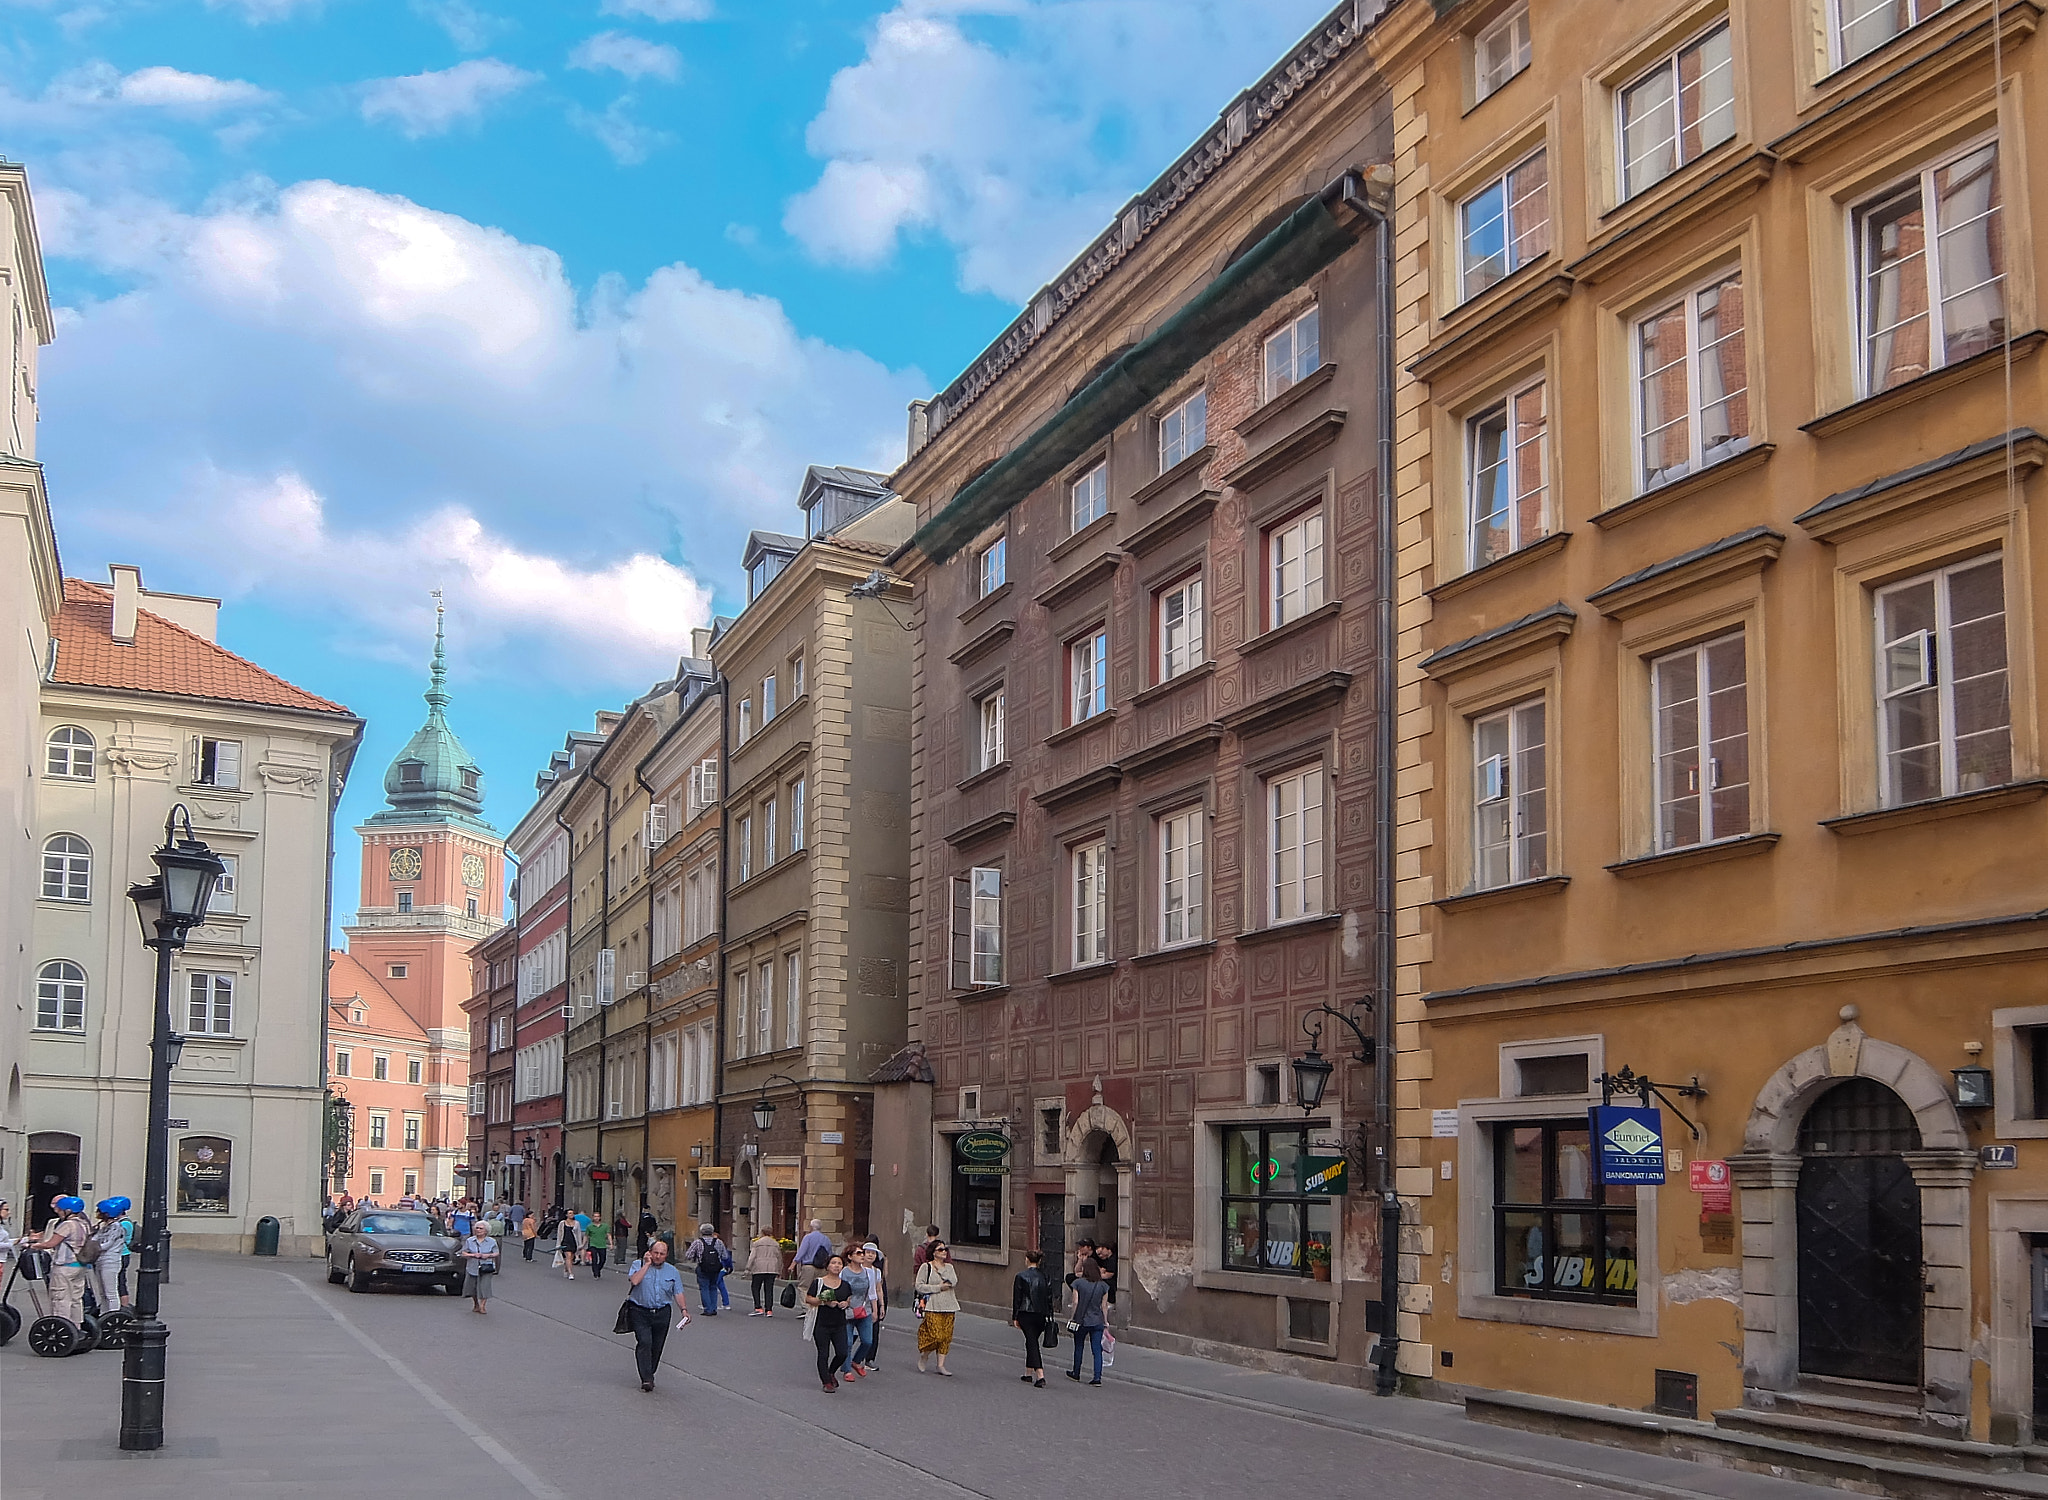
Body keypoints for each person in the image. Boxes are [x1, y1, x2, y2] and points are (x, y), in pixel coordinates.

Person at [623, 1238, 691, 1392]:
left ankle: (649, 1371)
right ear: (650, 1252)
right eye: (656, 1253)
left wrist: (684, 1310)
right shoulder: (638, 1265)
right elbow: (634, 1281)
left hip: (662, 1313)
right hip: (640, 1310)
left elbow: (678, 1292)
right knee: (645, 1342)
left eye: (662, 1253)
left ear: (666, 1255)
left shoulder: (672, 1271)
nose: (658, 1256)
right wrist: (646, 1264)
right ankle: (646, 1378)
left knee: (657, 1346)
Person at [27, 1196, 90, 1328]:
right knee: (76, 1298)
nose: (59, 1212)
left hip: (64, 1266)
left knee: (60, 1297)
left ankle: (61, 1326)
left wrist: (34, 1245)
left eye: (60, 1210)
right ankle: (76, 1326)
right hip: (80, 1265)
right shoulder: (84, 1224)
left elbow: (51, 1243)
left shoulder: (67, 1225)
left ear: (67, 1211)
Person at [804, 1253, 853, 1392]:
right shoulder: (819, 1282)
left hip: (839, 1324)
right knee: (823, 1353)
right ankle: (826, 1382)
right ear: (827, 1266)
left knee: (842, 1352)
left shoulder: (845, 1285)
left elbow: (849, 1299)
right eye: (833, 1263)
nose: (836, 1266)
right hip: (821, 1323)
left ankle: (831, 1372)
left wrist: (845, 1303)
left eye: (839, 1264)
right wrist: (824, 1301)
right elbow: (808, 1299)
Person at [1011, 1248, 1054, 1388]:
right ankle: (1028, 1373)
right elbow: (1049, 1298)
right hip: (1041, 1314)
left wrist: (1015, 1316)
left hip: (1026, 1312)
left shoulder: (1021, 1276)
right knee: (1031, 1341)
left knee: (1032, 1342)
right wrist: (1049, 1315)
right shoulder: (1045, 1277)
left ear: (1027, 1260)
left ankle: (1040, 1375)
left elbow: (1017, 1299)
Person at [914, 1241, 959, 1375]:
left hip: (949, 1305)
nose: (944, 1251)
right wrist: (938, 1287)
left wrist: (941, 1271)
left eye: (945, 1249)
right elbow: (919, 1286)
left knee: (946, 1337)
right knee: (936, 1336)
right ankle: (925, 1355)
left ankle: (941, 1365)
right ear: (933, 1252)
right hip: (932, 1305)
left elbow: (953, 1282)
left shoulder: (949, 1267)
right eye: (940, 1250)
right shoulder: (926, 1267)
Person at [1065, 1258, 1109, 1385]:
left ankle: (1076, 1372)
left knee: (1079, 1346)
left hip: (1082, 1320)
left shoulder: (1078, 1283)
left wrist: (1072, 1317)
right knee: (1097, 1350)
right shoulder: (1103, 1286)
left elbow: (1075, 1302)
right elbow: (1104, 1306)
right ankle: (1097, 1377)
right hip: (1097, 1321)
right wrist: (1105, 1321)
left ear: (1084, 1269)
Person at [87, 1198, 132, 1312]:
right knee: (102, 1293)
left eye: (100, 1211)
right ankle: (104, 1313)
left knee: (110, 1292)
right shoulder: (105, 1226)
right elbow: (95, 1239)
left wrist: (92, 1246)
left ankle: (113, 1314)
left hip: (111, 1261)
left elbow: (106, 1244)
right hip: (101, 1260)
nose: (97, 1213)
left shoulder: (117, 1227)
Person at [839, 1246, 874, 1379]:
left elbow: (872, 1292)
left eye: (862, 1253)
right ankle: (847, 1370)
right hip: (848, 1311)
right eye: (858, 1253)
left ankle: (856, 1361)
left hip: (865, 1310)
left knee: (867, 1341)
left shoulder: (868, 1272)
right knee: (848, 1342)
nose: (862, 1255)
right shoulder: (844, 1272)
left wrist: (876, 1309)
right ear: (850, 1257)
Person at [855, 1242, 888, 1371]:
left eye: (873, 1253)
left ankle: (869, 1359)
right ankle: (845, 1357)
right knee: (852, 1333)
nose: (870, 1255)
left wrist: (882, 1305)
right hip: (857, 1304)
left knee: (873, 1333)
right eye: (868, 1252)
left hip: (871, 1305)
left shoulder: (876, 1271)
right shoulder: (857, 1268)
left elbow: (879, 1289)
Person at [685, 1224, 725, 1316]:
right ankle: (714, 1308)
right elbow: (725, 1256)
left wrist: (696, 1257)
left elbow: (688, 1255)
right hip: (715, 1268)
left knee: (704, 1287)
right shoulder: (719, 1242)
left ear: (702, 1232)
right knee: (713, 1287)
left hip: (703, 1267)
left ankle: (708, 1309)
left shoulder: (698, 1242)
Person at [461, 1222, 499, 1313]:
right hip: (472, 1266)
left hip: (486, 1267)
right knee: (472, 1287)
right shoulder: (470, 1240)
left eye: (481, 1228)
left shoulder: (492, 1241)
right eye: (477, 1228)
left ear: (486, 1231)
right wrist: (472, 1254)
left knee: (484, 1286)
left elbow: (496, 1253)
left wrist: (488, 1255)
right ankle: (476, 1304)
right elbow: (463, 1252)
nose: (478, 1230)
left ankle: (482, 1306)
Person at [746, 1229, 783, 1316]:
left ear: (762, 1233)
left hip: (759, 1267)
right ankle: (769, 1310)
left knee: (755, 1287)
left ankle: (758, 1307)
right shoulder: (775, 1244)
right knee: (769, 1289)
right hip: (772, 1268)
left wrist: (748, 1268)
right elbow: (779, 1258)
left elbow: (752, 1256)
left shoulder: (757, 1243)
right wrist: (779, 1269)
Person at [1093, 1236, 1118, 1306]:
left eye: (1103, 1248)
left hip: (1111, 1282)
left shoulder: (1112, 1260)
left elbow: (1109, 1274)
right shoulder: (1107, 1259)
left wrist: (1097, 1275)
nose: (1101, 1251)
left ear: (1108, 1249)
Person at [555, 1213, 580, 1280]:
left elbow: (578, 1234)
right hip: (565, 1242)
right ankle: (571, 1273)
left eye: (572, 1213)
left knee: (571, 1258)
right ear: (566, 1215)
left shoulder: (576, 1223)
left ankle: (566, 1269)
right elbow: (559, 1233)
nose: (572, 1214)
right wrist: (558, 1244)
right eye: (570, 1213)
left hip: (573, 1242)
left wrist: (580, 1244)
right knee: (568, 1256)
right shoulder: (562, 1223)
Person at [587, 1211, 610, 1276]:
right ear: (593, 1217)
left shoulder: (605, 1226)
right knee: (594, 1259)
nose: (596, 1218)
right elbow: (586, 1236)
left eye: (598, 1216)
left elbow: (608, 1234)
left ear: (600, 1217)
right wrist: (583, 1245)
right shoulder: (590, 1226)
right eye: (595, 1216)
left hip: (602, 1244)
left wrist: (611, 1244)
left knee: (603, 1260)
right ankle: (595, 1272)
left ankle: (598, 1269)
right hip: (593, 1244)